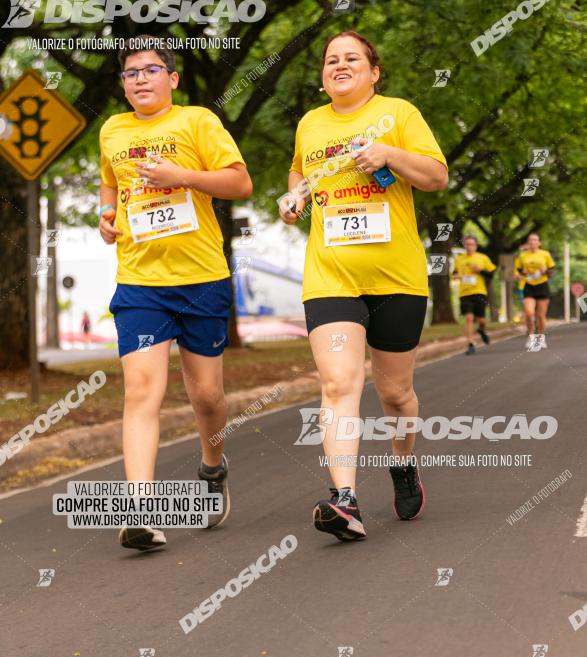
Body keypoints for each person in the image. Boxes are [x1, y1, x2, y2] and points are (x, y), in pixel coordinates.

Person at [279, 31, 448, 542]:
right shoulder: (310, 123)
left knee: (396, 394)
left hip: (396, 275)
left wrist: (388, 155)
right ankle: (345, 500)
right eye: (331, 60)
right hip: (331, 275)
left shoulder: (399, 113)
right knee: (338, 384)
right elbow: (298, 174)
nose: (340, 65)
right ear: (323, 75)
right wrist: (293, 200)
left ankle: (402, 463)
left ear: (374, 72)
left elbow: (437, 176)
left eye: (352, 58)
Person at [99, 35, 252, 552]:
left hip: (201, 279)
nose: (140, 78)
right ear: (123, 84)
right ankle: (140, 508)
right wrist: (107, 215)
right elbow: (111, 185)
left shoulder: (197, 122)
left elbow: (240, 183)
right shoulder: (113, 131)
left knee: (206, 396)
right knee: (142, 391)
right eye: (130, 73)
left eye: (151, 69)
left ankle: (213, 466)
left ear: (173, 79)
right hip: (141, 282)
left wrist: (179, 175)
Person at [452, 235, 496, 355]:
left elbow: (491, 275)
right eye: (467, 244)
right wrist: (456, 276)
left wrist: (480, 271)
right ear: (464, 246)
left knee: (481, 320)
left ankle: (481, 330)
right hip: (465, 293)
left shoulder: (483, 258)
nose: (469, 246)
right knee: (469, 318)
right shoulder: (459, 259)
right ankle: (471, 344)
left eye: (471, 244)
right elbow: (454, 273)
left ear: (476, 246)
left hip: (479, 292)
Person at [514, 232, 555, 349]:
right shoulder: (522, 255)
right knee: (529, 313)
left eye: (535, 240)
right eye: (530, 240)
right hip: (529, 285)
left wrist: (545, 271)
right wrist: (523, 273)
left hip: (542, 285)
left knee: (541, 316)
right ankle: (531, 337)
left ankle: (541, 339)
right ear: (528, 243)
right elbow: (518, 271)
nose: (533, 242)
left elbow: (551, 271)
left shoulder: (545, 254)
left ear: (539, 243)